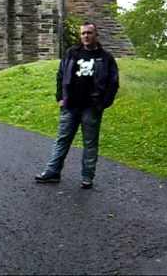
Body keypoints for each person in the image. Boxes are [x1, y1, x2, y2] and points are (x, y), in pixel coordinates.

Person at [35, 22, 119, 189]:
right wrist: (60, 97)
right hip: (70, 105)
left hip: (91, 107)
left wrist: (103, 104)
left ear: (96, 35)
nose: (86, 36)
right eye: (83, 33)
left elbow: (113, 83)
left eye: (89, 33)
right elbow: (60, 75)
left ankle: (87, 177)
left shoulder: (106, 57)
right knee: (62, 140)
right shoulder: (72, 53)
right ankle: (52, 172)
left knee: (90, 143)